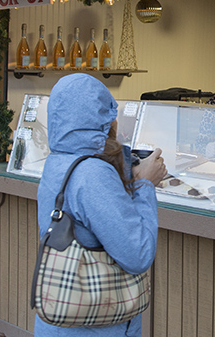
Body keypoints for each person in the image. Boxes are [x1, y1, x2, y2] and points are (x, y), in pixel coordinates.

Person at [35, 74, 166, 337]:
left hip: (60, 318)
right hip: (95, 326)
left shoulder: (59, 160)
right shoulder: (92, 173)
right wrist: (144, 184)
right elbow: (138, 254)